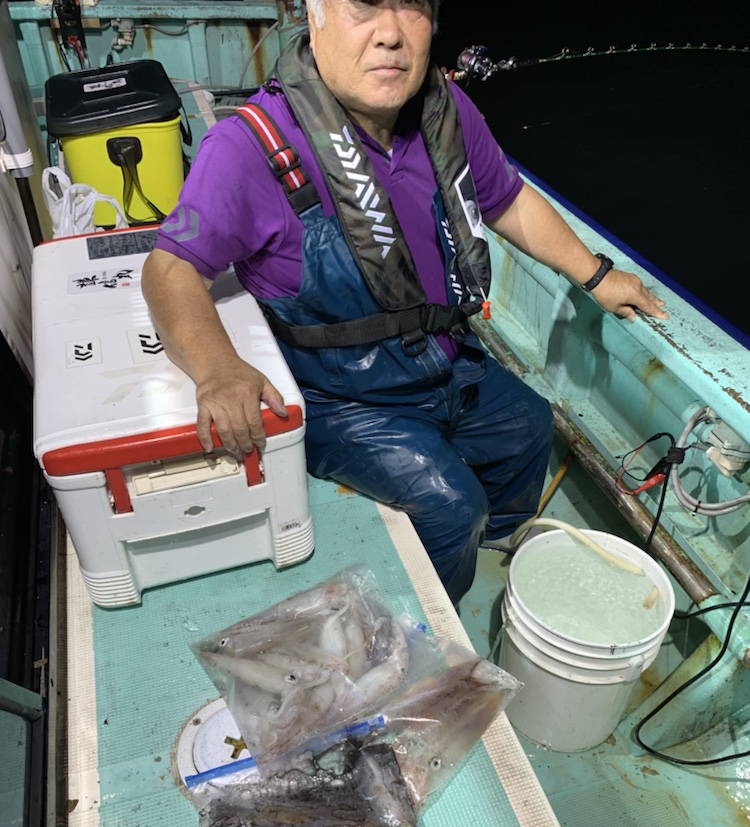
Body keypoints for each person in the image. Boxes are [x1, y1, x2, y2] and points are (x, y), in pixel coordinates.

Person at [142, 0, 667, 605]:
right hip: (342, 394)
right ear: (315, 13)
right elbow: (170, 268)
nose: (391, 33)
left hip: (447, 358)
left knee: (529, 426)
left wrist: (596, 275)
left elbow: (507, 201)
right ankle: (414, 625)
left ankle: (493, 557)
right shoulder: (250, 145)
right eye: (364, 7)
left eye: (411, 6)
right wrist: (217, 368)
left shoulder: (446, 110)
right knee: (451, 507)